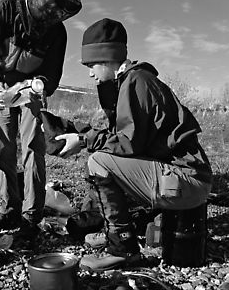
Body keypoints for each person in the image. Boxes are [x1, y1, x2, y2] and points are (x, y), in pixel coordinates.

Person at [55, 18, 212, 271]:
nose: (90, 72)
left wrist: (84, 141)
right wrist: (85, 135)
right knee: (103, 157)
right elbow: (125, 138)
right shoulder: (133, 81)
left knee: (98, 162)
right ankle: (113, 232)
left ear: (108, 59)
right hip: (185, 178)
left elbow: (128, 143)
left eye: (91, 64)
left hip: (187, 181)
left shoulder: (137, 82)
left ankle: (123, 250)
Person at [0, 0, 82, 240]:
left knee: (34, 148)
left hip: (31, 93)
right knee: (3, 151)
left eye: (59, 12)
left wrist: (39, 86)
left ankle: (30, 214)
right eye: (50, 8)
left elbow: (52, 72)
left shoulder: (57, 32)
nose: (52, 15)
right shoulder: (6, 10)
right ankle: (9, 207)